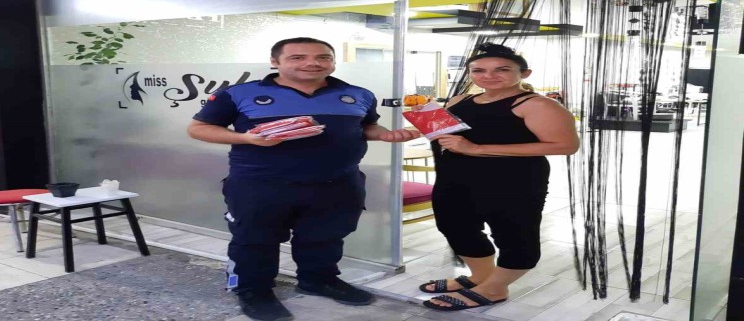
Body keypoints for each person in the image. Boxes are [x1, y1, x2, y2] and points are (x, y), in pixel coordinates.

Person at [187, 37, 420, 321]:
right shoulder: (239, 94)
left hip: (338, 182)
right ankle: (253, 290)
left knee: (326, 237)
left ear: (333, 62)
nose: (312, 63)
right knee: (254, 240)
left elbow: (367, 125)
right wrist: (246, 138)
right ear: (275, 62)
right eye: (297, 57)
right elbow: (198, 128)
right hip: (261, 184)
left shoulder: (357, 94)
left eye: (323, 57)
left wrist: (385, 134)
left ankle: (318, 280)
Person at [418, 43, 579, 312]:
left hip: (513, 180)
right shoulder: (459, 100)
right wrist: (409, 131)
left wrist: (477, 149)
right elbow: (443, 132)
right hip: (455, 175)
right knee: (455, 226)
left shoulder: (538, 105)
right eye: (478, 70)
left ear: (524, 73)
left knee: (514, 235)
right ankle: (480, 277)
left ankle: (495, 288)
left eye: (501, 70)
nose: (488, 76)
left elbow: (565, 145)